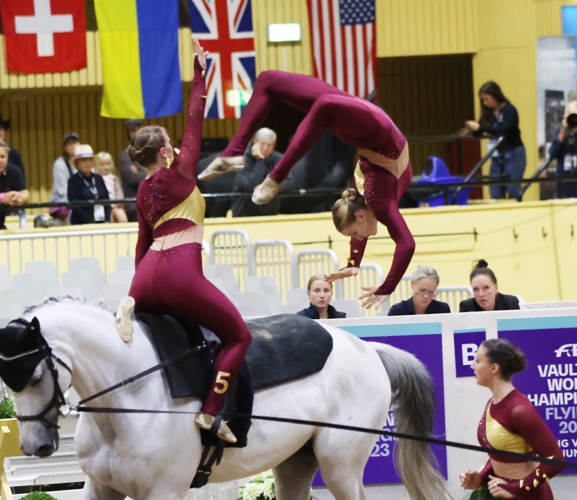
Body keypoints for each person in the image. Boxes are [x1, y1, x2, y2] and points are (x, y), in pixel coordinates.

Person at [115, 39, 250, 444]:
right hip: (178, 271)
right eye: (171, 143)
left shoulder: (141, 191)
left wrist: (135, 289)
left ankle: (129, 307)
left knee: (182, 331)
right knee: (238, 336)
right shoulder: (181, 172)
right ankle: (211, 412)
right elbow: (196, 117)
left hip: (146, 279)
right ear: (164, 150)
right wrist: (199, 71)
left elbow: (141, 245)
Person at [199, 70, 415, 309]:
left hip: (367, 126)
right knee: (270, 82)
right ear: (360, 215)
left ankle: (254, 163)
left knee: (278, 84)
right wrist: (386, 287)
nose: (359, 238)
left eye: (353, 234)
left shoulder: (365, 197)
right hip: (374, 128)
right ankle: (247, 159)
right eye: (354, 234)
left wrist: (355, 262)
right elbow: (406, 244)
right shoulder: (379, 204)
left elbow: (367, 227)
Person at [460, 338, 563, 499]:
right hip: (501, 491)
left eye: (478, 361)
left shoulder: (519, 411)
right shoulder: (492, 402)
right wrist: (480, 477)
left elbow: (556, 459)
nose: (472, 365)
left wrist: (517, 488)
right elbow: (500, 454)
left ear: (494, 368)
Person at [465, 81, 526, 200]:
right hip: (497, 155)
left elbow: (504, 129)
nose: (484, 103)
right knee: (495, 189)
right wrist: (474, 128)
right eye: (483, 100)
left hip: (513, 153)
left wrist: (481, 127)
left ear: (495, 96)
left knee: (513, 189)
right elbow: (482, 129)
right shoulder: (489, 113)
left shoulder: (510, 110)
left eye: (486, 99)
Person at [231, 127, 284, 217]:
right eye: (262, 144)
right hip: (244, 215)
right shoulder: (241, 159)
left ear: (274, 147)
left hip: (270, 215)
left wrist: (267, 188)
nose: (265, 148)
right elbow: (250, 185)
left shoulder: (278, 158)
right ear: (254, 142)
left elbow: (290, 183)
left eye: (269, 145)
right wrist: (260, 160)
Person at [67, 145, 110, 225]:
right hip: (81, 224)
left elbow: (107, 200)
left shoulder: (98, 178)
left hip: (101, 222)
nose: (87, 163)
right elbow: (75, 205)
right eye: (83, 160)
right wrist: (90, 221)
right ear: (77, 163)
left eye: (90, 159)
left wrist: (107, 219)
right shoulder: (73, 181)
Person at [117, 119, 147, 222]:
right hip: (135, 205)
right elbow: (132, 178)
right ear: (128, 134)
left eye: (140, 129)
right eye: (134, 130)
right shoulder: (125, 155)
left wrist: (140, 173)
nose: (138, 132)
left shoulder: (151, 152)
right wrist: (151, 172)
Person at [49, 132, 80, 223]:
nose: (72, 146)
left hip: (79, 201)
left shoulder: (86, 162)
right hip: (64, 202)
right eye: (69, 144)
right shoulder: (60, 164)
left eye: (74, 143)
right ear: (65, 148)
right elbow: (63, 191)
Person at [96, 151, 128, 223]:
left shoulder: (114, 178)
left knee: (121, 215)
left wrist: (118, 203)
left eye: (108, 164)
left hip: (115, 205)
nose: (106, 167)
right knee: (108, 217)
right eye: (102, 164)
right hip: (102, 207)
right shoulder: (96, 178)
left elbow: (119, 192)